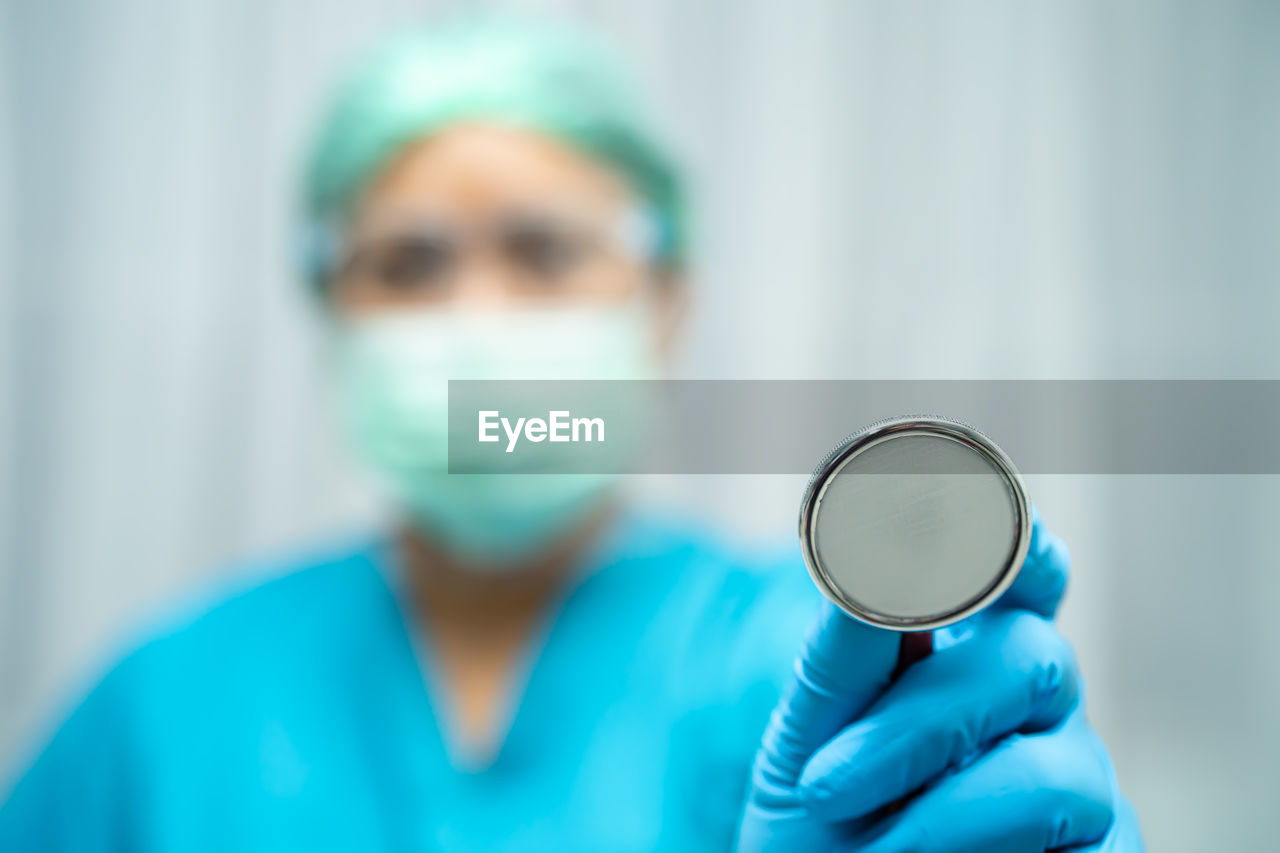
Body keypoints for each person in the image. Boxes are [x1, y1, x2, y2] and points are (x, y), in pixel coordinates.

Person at [0, 13, 1143, 852]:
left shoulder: (812, 675)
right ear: (330, 312)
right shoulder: (162, 706)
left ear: (664, 302)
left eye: (545, 252)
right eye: (406, 263)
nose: (479, 321)